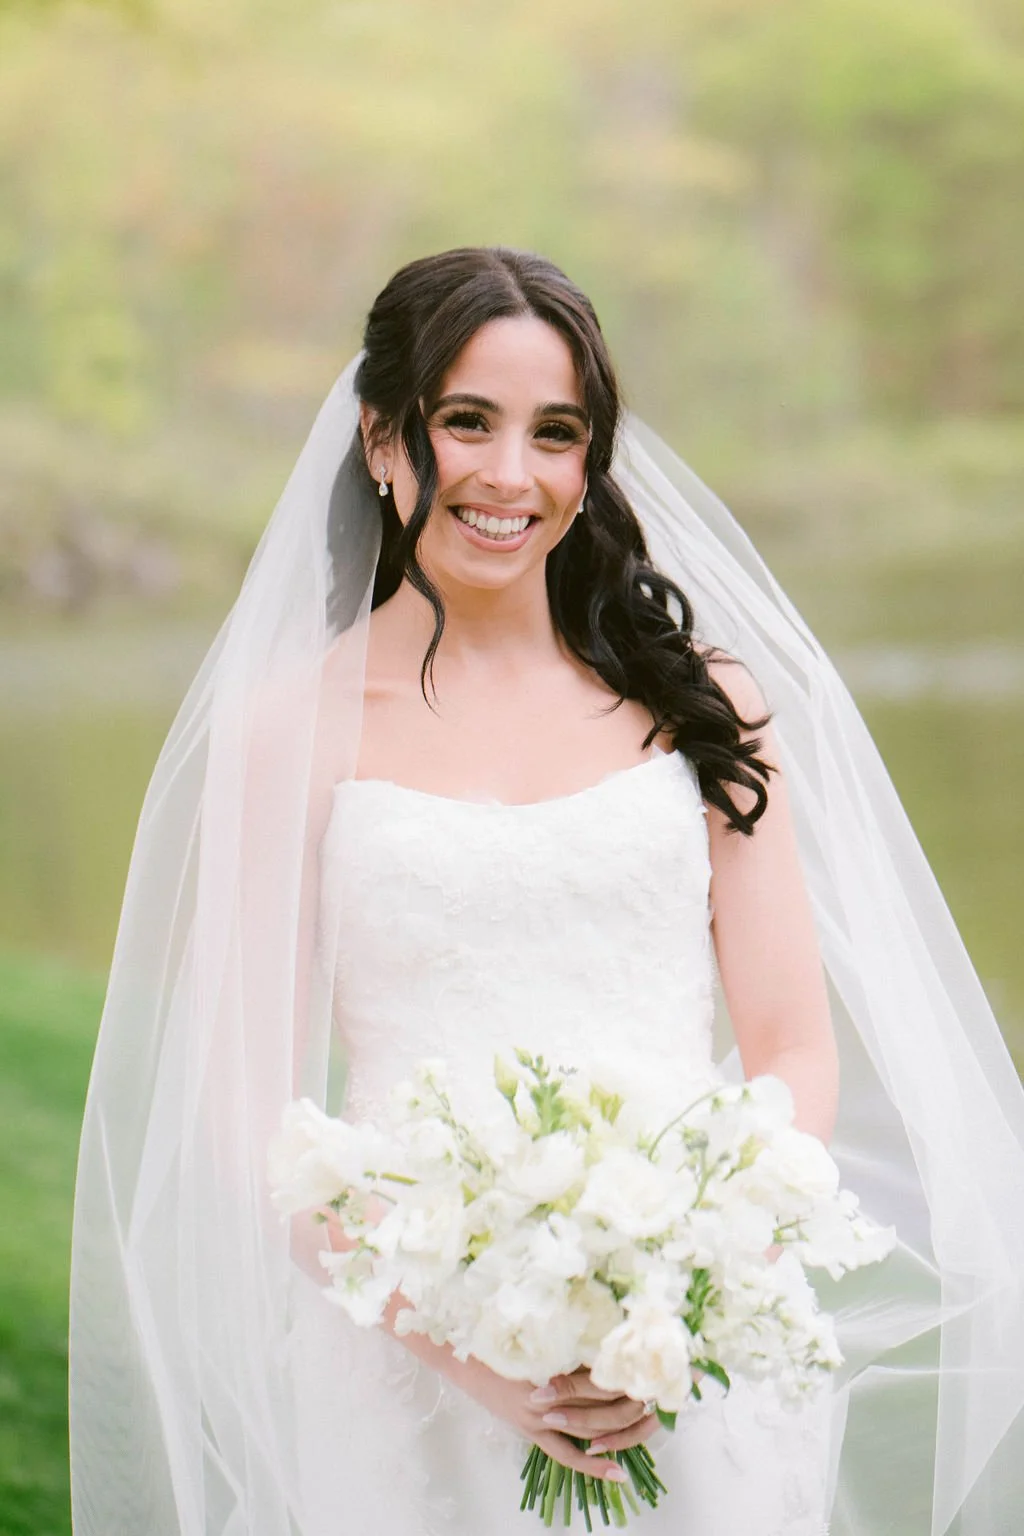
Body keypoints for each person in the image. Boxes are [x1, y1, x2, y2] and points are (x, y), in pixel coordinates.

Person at [69, 247, 1024, 1535]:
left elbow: (794, 1042)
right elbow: (249, 1119)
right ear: (381, 435)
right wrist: (472, 1346)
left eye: (555, 433)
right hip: (403, 1368)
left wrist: (687, 1268)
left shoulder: (700, 703)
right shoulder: (288, 732)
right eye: (468, 420)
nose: (511, 475)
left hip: (683, 1360)